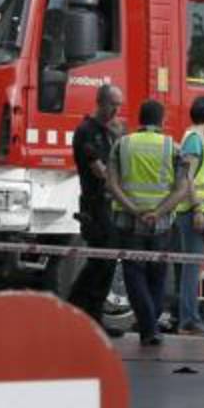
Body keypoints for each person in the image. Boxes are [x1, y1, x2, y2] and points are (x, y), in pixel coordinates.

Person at [107, 100, 188, 346]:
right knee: (157, 275)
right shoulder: (173, 148)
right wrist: (158, 213)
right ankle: (150, 326)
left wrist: (134, 211)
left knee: (134, 274)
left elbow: (112, 184)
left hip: (128, 222)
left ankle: (148, 327)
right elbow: (182, 188)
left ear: (139, 120)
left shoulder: (122, 145)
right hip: (161, 224)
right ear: (162, 121)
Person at [67, 84, 125, 337]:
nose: (117, 110)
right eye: (113, 104)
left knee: (106, 261)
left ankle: (88, 313)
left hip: (109, 204)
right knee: (102, 260)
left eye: (119, 105)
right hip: (95, 203)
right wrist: (120, 191)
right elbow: (98, 169)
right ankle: (77, 309)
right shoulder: (87, 131)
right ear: (100, 102)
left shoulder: (109, 131)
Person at [173, 96, 204, 336]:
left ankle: (188, 317)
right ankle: (188, 320)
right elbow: (188, 178)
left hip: (195, 213)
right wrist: (197, 209)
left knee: (192, 267)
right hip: (192, 214)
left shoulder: (198, 140)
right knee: (192, 269)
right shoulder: (194, 141)